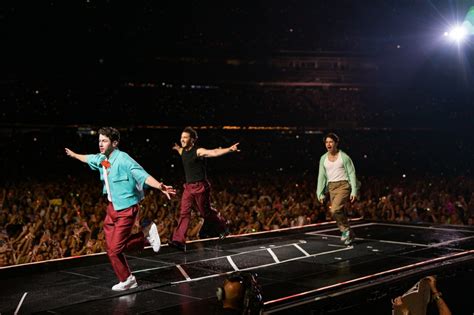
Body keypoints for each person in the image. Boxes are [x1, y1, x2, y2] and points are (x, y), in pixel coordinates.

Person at [65, 127, 176, 291]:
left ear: (114, 143)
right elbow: (90, 159)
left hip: (126, 209)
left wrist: (160, 186)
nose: (100, 144)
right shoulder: (105, 159)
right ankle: (127, 279)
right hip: (112, 208)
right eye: (99, 140)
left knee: (116, 248)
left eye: (104, 141)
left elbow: (142, 175)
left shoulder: (123, 159)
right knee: (111, 249)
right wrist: (74, 155)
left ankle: (146, 234)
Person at [169, 126, 239, 252]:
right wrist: (177, 148)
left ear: (193, 140)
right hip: (188, 187)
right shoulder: (182, 151)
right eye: (181, 137)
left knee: (205, 213)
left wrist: (229, 149)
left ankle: (223, 225)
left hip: (200, 186)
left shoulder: (198, 151)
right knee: (184, 212)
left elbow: (213, 152)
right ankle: (179, 240)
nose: (182, 140)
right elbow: (180, 150)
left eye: (185, 137)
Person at [316, 133, 358, 246]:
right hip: (331, 187)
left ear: (336, 143)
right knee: (337, 212)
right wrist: (319, 193)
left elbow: (352, 173)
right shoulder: (323, 158)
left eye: (331, 142)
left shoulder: (344, 157)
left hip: (343, 186)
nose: (328, 144)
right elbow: (321, 176)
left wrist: (354, 190)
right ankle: (350, 233)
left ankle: (345, 230)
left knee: (334, 209)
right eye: (326, 142)